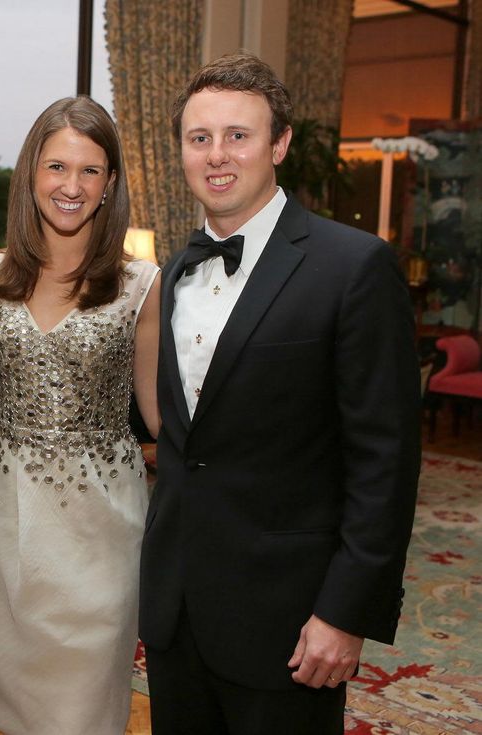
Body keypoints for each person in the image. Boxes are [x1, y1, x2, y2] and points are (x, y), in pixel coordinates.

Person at [138, 52, 421, 734]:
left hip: (291, 623)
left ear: (280, 144)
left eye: (239, 135)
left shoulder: (352, 266)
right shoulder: (175, 270)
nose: (217, 155)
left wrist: (345, 611)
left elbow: (385, 461)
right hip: (178, 615)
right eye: (199, 138)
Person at [0, 96, 161, 735]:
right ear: (31, 175)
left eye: (90, 171)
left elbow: (159, 412)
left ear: (110, 184)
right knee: (7, 694)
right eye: (56, 167)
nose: (71, 187)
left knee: (85, 700)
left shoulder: (142, 284)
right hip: (4, 517)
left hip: (102, 524)